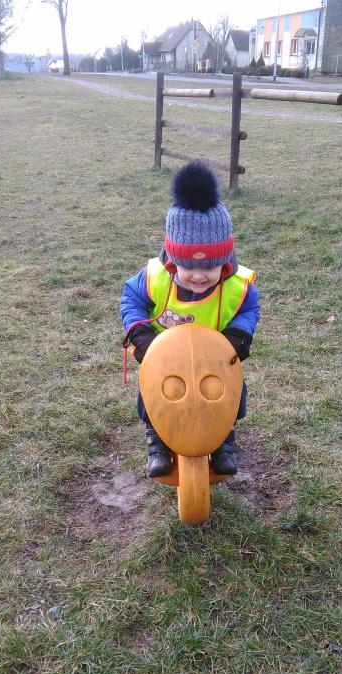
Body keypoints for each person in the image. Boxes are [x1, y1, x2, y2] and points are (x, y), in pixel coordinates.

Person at [121, 161, 260, 478]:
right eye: (189, 268)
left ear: (224, 260)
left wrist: (239, 335)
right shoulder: (154, 277)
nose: (199, 276)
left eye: (209, 267)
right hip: (165, 359)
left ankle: (223, 439)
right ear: (173, 261)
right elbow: (131, 299)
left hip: (216, 359)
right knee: (156, 394)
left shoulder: (236, 284)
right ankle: (158, 439)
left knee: (228, 394)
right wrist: (141, 336)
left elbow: (249, 307)